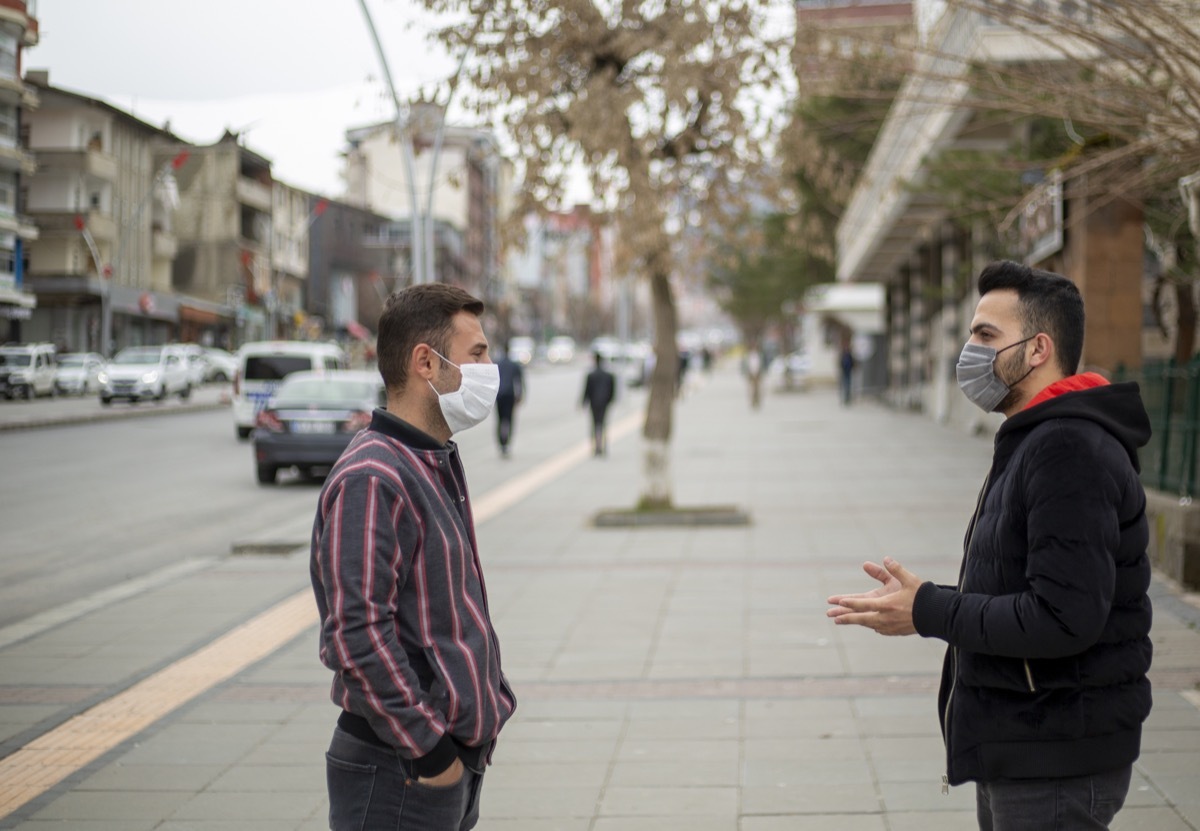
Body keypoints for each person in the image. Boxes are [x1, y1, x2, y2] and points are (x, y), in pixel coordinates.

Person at [827, 261, 1152, 830]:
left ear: (1037, 349)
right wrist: (925, 602)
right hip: (1029, 740)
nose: (968, 353)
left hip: (1055, 754)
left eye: (985, 336)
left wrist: (928, 608)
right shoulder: (1038, 439)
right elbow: (1033, 588)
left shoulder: (1067, 448)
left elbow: (1063, 618)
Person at [310, 283, 516, 831]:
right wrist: (431, 756)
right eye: (476, 354)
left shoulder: (430, 459)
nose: (490, 368)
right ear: (427, 362)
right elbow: (356, 633)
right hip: (399, 772)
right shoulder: (375, 476)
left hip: (439, 766)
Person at [581, 350, 616, 456]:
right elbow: (612, 391)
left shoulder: (591, 375)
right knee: (603, 424)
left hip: (594, 403)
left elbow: (587, 391)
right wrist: (609, 401)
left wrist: (584, 402)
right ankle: (603, 446)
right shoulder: (609, 375)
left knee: (595, 424)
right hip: (604, 403)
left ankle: (596, 447)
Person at [494, 340, 525, 458]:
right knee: (509, 420)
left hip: (499, 395)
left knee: (500, 420)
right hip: (510, 395)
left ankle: (501, 443)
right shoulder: (514, 364)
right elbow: (520, 381)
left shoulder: (498, 364)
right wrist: (521, 394)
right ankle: (507, 443)